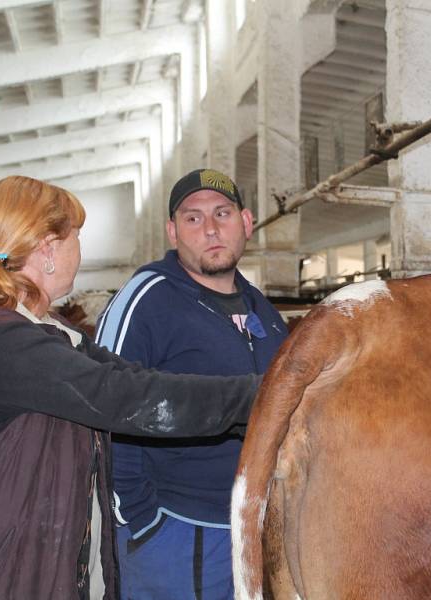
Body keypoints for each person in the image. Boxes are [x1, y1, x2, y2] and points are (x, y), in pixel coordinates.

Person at [0, 175, 263, 600]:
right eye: (75, 237)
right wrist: (267, 394)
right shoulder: (1, 346)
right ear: (49, 248)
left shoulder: (50, 332)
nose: (79, 250)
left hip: (23, 567)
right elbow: (133, 399)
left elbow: (140, 381)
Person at [96, 168, 287, 600]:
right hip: (177, 533)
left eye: (222, 213)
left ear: (247, 222)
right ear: (172, 230)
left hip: (256, 531)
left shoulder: (265, 312)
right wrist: (141, 520)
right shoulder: (146, 300)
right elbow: (103, 404)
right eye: (193, 218)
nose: (212, 229)